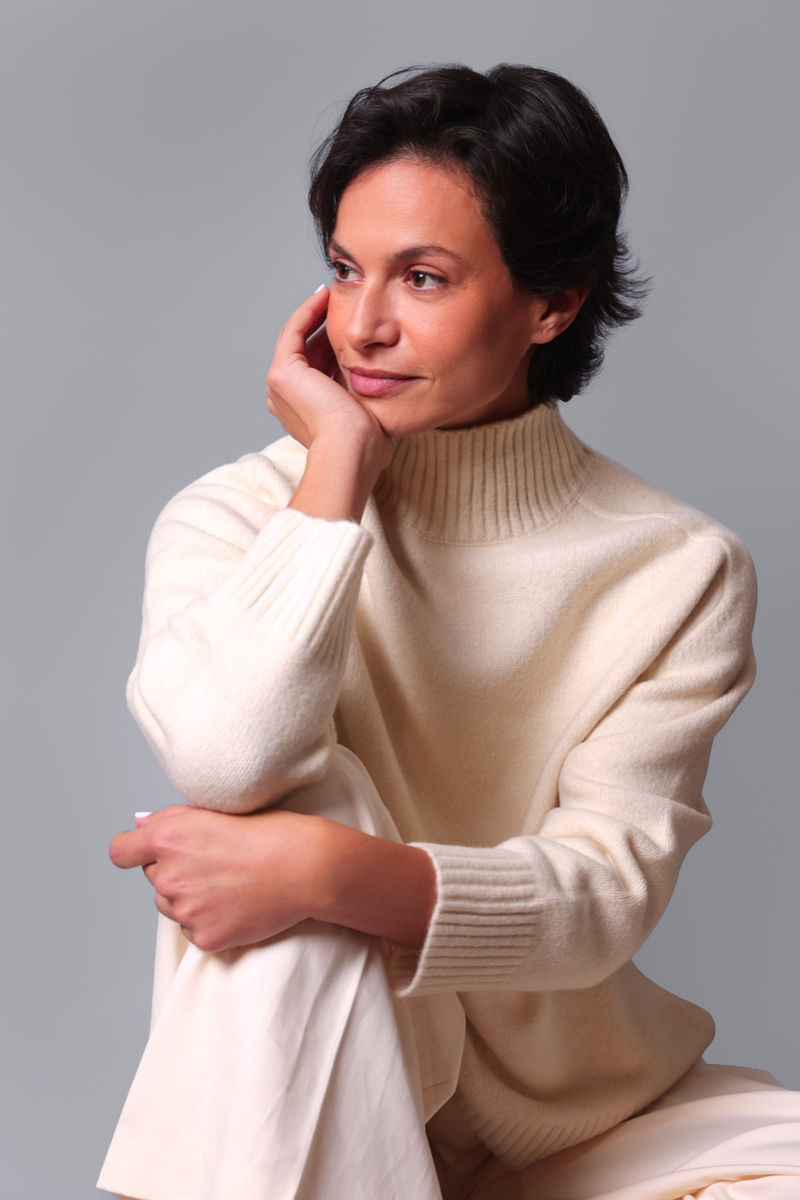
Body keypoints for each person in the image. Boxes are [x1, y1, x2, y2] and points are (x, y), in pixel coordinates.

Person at [98, 65, 800, 1200]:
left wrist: (340, 874)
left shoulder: (675, 568)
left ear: (551, 305)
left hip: (589, 1125)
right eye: (343, 270)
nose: (361, 326)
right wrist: (335, 471)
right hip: (325, 1100)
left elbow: (603, 897)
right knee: (296, 797)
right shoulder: (236, 517)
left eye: (421, 278)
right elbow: (228, 760)